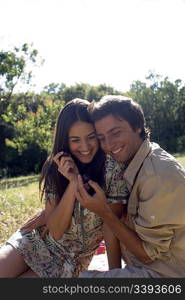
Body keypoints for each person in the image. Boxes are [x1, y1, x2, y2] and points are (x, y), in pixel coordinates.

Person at [0, 98, 127, 278]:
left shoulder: (112, 170)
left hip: (69, 261)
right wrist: (73, 183)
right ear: (65, 141)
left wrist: (116, 275)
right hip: (34, 241)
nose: (85, 147)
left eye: (91, 137)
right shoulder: (56, 166)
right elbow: (56, 230)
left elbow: (111, 225)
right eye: (75, 140)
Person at [76, 95, 185, 278]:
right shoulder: (135, 160)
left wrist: (104, 211)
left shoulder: (157, 176)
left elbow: (147, 254)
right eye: (102, 138)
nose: (109, 145)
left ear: (138, 127)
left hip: (168, 274)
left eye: (116, 132)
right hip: (147, 267)